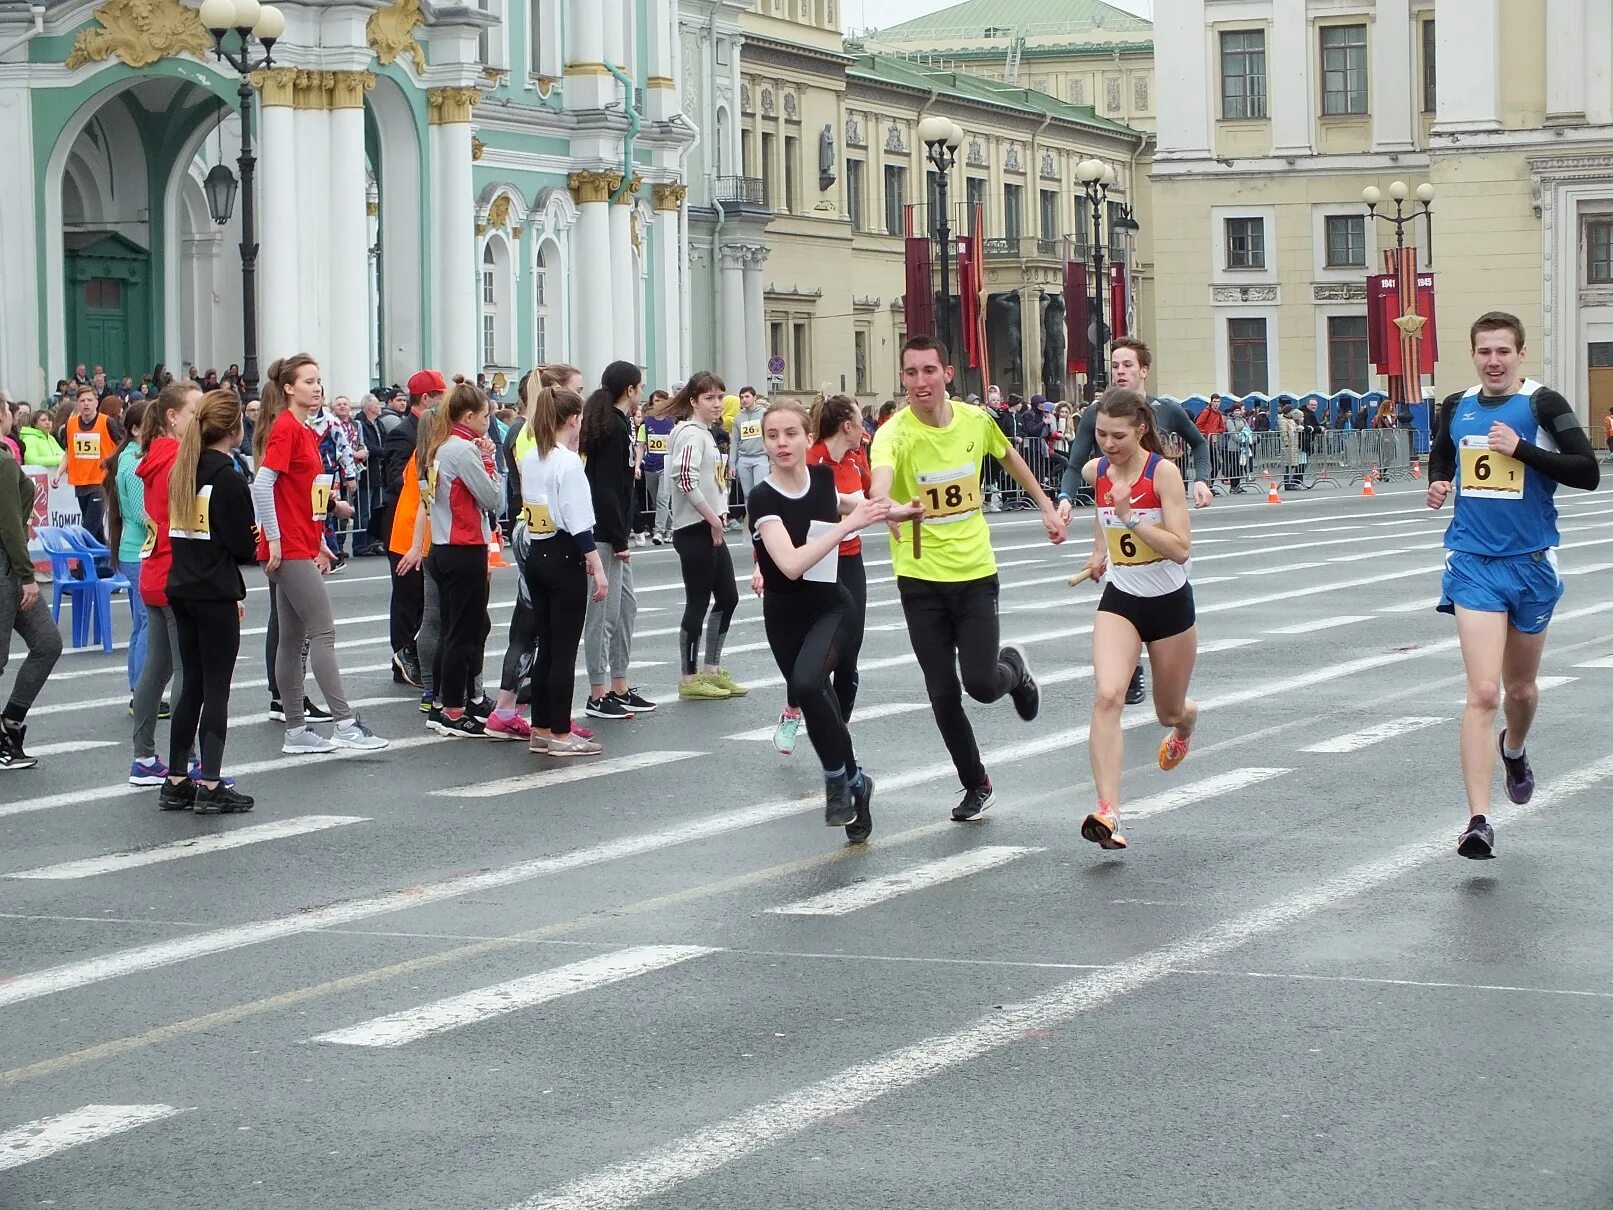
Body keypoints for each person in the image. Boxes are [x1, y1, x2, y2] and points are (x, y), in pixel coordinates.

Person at [1427, 311, 1600, 860]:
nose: (1493, 361)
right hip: (1473, 562)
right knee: (1482, 693)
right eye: (1484, 352)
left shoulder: (1544, 404)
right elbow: (1443, 451)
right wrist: (1438, 481)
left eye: (1503, 351)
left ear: (1520, 354)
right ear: (1473, 354)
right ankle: (1478, 821)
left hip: (1530, 565)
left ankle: (1515, 746)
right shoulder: (1456, 405)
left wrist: (1521, 449)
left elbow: (1587, 471)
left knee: (1519, 691)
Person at [869, 335, 1064, 822]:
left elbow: (1009, 456)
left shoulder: (976, 421)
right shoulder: (894, 433)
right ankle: (975, 782)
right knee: (941, 692)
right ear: (902, 378)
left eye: (929, 371)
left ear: (947, 374)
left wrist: (1045, 506)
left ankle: (1014, 669)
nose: (920, 382)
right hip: (919, 579)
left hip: (975, 573)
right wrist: (887, 507)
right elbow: (880, 479)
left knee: (979, 684)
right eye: (910, 373)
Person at [750, 400, 890, 837]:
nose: (781, 443)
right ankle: (855, 782)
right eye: (772, 435)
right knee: (816, 699)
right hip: (784, 613)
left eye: (791, 433)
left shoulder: (824, 480)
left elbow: (854, 502)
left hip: (830, 605)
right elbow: (790, 565)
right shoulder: (761, 497)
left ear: (808, 438)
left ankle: (835, 780)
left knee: (810, 684)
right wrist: (846, 526)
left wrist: (898, 510)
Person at [1076, 388, 1199, 851]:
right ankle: (1108, 812)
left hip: (1169, 603)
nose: (1108, 445)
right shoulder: (1100, 472)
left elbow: (1181, 547)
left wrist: (1131, 521)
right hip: (1122, 598)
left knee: (1169, 709)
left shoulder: (1162, 473)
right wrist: (1098, 552)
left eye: (1118, 436)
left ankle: (1187, 725)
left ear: (1141, 429)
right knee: (1107, 695)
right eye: (1101, 435)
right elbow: (1102, 516)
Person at [1057, 338, 1210, 709]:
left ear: (1143, 370)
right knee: (1124, 599)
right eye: (1114, 365)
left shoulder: (1167, 410)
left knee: (1170, 708)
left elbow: (1200, 445)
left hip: (1159, 520)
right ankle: (1130, 667)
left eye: (1127, 365)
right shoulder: (1099, 412)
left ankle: (1175, 704)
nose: (1120, 372)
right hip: (1120, 522)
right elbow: (1082, 467)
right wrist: (1068, 504)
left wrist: (1203, 478)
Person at [252, 354, 388, 755]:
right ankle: (344, 723)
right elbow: (262, 486)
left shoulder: (304, 429)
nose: (317, 387)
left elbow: (296, 494)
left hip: (299, 542)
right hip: (288, 547)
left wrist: (321, 538)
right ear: (289, 388)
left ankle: (296, 731)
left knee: (293, 640)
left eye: (319, 381)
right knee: (323, 632)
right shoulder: (286, 429)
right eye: (308, 381)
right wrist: (275, 539)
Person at [162, 390, 257, 813]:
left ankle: (177, 777)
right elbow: (242, 546)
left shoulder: (184, 469)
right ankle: (212, 784)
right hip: (215, 590)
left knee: (193, 687)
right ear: (234, 429)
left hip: (181, 585)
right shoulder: (228, 477)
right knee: (218, 688)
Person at [768, 394, 872, 757]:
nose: (865, 430)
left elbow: (868, 502)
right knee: (812, 655)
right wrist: (759, 566)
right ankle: (793, 710)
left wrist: (895, 517)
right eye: (861, 422)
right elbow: (777, 520)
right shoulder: (810, 462)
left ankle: (837, 734)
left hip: (851, 560)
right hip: (817, 565)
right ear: (847, 425)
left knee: (849, 652)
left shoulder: (857, 461)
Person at [518, 381, 610, 755]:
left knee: (547, 646)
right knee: (564, 648)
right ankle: (559, 731)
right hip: (564, 552)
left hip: (536, 549)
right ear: (573, 419)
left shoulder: (532, 457)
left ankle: (539, 727)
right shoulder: (567, 462)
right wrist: (596, 564)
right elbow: (576, 517)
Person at [420, 381, 503, 738]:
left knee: (457, 629)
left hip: (442, 546)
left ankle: (443, 703)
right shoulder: (462, 451)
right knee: (463, 633)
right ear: (468, 416)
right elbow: (491, 498)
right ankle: (453, 709)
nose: (488, 422)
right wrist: (488, 460)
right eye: (485, 416)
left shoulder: (441, 446)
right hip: (463, 546)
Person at [128, 381, 201, 789]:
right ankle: (184, 758)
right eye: (194, 413)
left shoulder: (154, 455)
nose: (200, 420)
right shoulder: (177, 458)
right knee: (185, 669)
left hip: (154, 569)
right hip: (176, 570)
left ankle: (143, 757)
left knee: (154, 671)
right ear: (173, 417)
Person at [579, 361, 654, 722]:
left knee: (626, 608)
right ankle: (597, 692)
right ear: (630, 390)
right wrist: (619, 535)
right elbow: (606, 489)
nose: (642, 392)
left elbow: (623, 487)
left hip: (616, 528)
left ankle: (620, 685)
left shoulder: (621, 423)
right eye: (640, 387)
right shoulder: (611, 426)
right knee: (603, 616)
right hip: (605, 533)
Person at [666, 373, 746, 700]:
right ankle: (689, 677)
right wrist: (713, 519)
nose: (717, 404)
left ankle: (711, 668)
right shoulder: (689, 434)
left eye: (719, 397)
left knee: (728, 597)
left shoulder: (706, 434)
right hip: (695, 527)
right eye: (709, 398)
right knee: (698, 601)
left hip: (710, 525)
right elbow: (685, 478)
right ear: (694, 401)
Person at [0, 399, 62, 771]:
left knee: (47, 642)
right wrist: (27, 576)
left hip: (9, 565)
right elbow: (10, 525)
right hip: (7, 567)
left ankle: (11, 721)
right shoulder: (5, 463)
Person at [381, 370, 445, 689]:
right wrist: (419, 482)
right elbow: (393, 478)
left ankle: (414, 657)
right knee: (408, 600)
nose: (444, 401)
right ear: (426, 399)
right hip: (406, 527)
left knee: (422, 600)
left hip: (422, 526)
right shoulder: (405, 433)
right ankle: (402, 656)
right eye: (439, 395)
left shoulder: (431, 433)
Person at [105, 399, 149, 696]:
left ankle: (138, 687)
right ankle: (143, 689)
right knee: (148, 623)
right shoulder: (133, 462)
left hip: (133, 549)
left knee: (141, 622)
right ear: (134, 430)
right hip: (139, 549)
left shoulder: (130, 458)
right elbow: (140, 512)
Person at [52, 383, 120, 542]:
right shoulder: (71, 424)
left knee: (88, 527)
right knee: (96, 532)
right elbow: (69, 452)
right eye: (82, 401)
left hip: (101, 483)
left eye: (90, 400)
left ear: (97, 402)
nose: (86, 404)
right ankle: (105, 563)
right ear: (78, 404)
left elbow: (120, 448)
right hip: (81, 483)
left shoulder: (107, 422)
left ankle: (81, 565)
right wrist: (58, 473)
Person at [639, 389, 674, 545]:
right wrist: (637, 466)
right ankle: (671, 527)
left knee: (662, 499)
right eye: (656, 401)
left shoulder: (672, 422)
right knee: (656, 501)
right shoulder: (646, 423)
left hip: (666, 466)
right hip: (650, 466)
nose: (658, 404)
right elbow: (640, 445)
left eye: (661, 400)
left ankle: (658, 531)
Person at [730, 385, 768, 517]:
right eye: (741, 397)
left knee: (760, 491)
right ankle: (751, 520)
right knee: (747, 493)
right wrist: (731, 464)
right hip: (744, 459)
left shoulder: (764, 414)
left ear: (755, 398)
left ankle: (762, 519)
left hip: (760, 457)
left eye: (747, 396)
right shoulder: (738, 418)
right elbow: (734, 441)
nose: (744, 400)